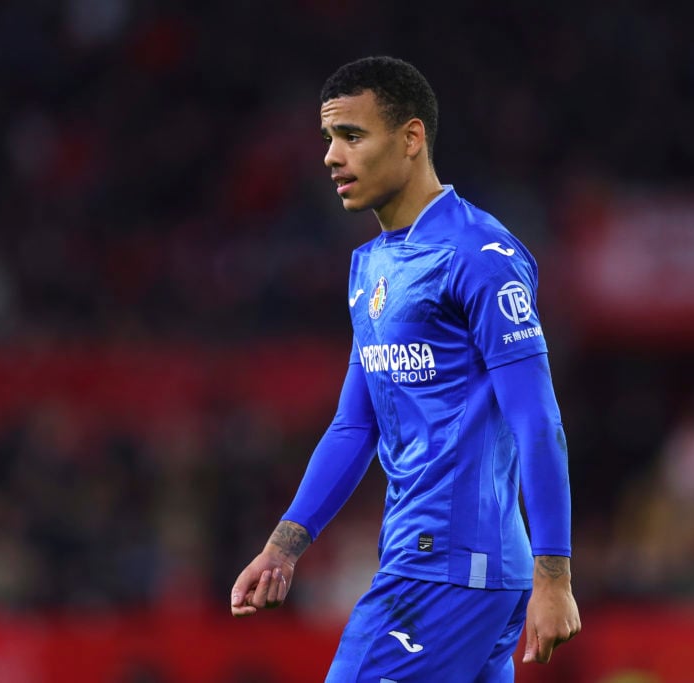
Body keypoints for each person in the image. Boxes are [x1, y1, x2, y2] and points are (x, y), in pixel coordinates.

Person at [230, 55, 580, 682]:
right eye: (329, 139)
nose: (333, 157)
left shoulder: (480, 255)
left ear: (411, 138)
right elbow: (353, 426)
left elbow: (538, 420)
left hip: (447, 567)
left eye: (352, 136)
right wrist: (283, 547)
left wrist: (554, 576)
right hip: (440, 564)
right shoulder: (371, 266)